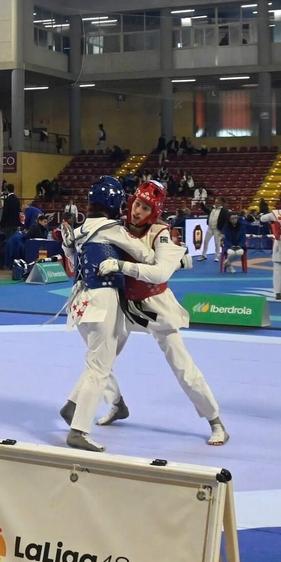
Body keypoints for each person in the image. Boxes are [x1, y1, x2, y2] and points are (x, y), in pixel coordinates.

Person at [100, 178, 228, 446]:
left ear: (154, 212)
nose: (138, 211)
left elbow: (159, 272)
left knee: (182, 367)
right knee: (99, 361)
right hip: (124, 305)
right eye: (137, 204)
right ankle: (117, 403)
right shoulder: (117, 226)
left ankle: (216, 421)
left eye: (146, 208)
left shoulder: (162, 233)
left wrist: (121, 265)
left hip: (156, 306)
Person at [56, 177, 145, 452]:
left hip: (81, 302)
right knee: (99, 366)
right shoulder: (112, 229)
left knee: (104, 355)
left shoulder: (79, 230)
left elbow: (70, 258)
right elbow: (144, 255)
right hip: (103, 301)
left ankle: (88, 404)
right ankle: (79, 429)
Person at [197, 196, 223, 262]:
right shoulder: (212, 208)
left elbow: (224, 220)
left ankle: (217, 256)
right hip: (210, 228)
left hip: (217, 229)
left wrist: (222, 230)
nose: (216, 203)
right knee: (205, 241)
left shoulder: (223, 210)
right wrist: (202, 204)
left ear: (221, 203)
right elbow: (206, 210)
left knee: (217, 243)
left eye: (217, 202)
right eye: (215, 202)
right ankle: (204, 255)